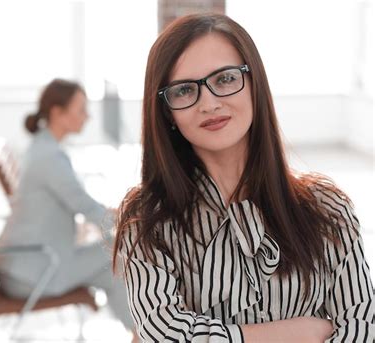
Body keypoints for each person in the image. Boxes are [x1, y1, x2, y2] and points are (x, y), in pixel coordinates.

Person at [112, 13, 374, 342]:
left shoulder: (327, 209)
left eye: (224, 79)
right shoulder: (147, 219)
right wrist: (294, 334)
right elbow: (163, 334)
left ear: (254, 85)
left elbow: (362, 324)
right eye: (184, 90)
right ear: (168, 113)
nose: (208, 103)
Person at [0, 79, 136, 339]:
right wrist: (130, 220)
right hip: (33, 272)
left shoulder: (43, 147)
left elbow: (81, 205)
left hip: (25, 264)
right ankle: (142, 333)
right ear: (58, 113)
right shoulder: (49, 157)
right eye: (81, 109)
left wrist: (114, 221)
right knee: (117, 258)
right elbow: (85, 207)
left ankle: (139, 333)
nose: (88, 116)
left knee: (113, 261)